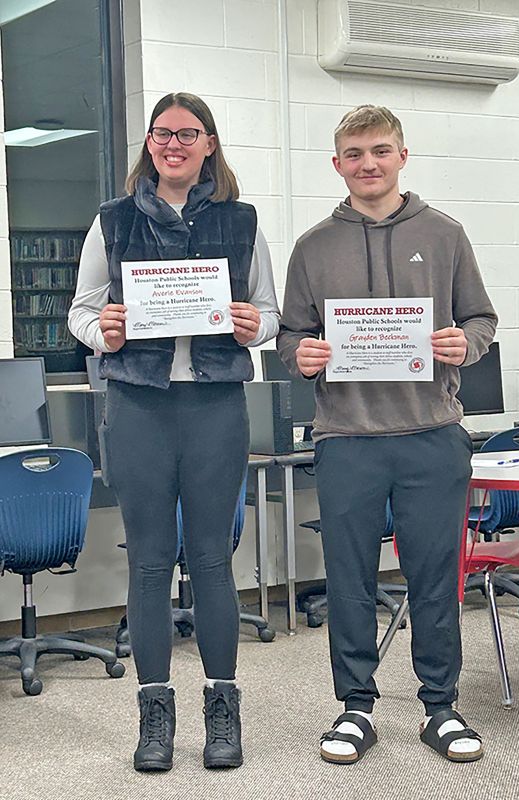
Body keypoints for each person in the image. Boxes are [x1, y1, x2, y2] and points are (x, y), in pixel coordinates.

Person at [277, 105, 497, 765]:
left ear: (402, 156)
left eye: (379, 150)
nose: (367, 163)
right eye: (354, 153)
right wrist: (301, 355)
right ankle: (356, 708)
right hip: (346, 438)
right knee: (349, 578)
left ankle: (440, 707)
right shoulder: (313, 247)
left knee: (435, 575)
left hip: (431, 435)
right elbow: (290, 335)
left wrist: (467, 343)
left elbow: (481, 319)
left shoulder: (446, 234)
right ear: (337, 163)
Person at [68, 92, 279, 772]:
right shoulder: (112, 221)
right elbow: (81, 311)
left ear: (210, 144)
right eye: (163, 134)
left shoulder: (242, 222)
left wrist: (258, 327)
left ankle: (223, 710)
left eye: (189, 134)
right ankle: (154, 716)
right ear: (149, 145)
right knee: (151, 561)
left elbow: (269, 313)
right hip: (139, 407)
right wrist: (102, 331)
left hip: (215, 403)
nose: (175, 144)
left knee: (214, 560)